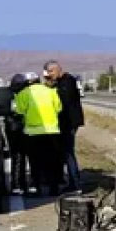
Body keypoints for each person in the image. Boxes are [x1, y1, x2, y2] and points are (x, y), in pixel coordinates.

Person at [13, 71, 64, 196]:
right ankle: (54, 188)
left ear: (28, 82)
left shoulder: (24, 94)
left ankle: (37, 188)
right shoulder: (51, 92)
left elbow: (19, 111)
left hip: (32, 133)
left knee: (35, 162)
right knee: (52, 161)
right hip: (52, 131)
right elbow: (58, 108)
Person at [44, 60, 84, 191]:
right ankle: (71, 181)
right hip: (65, 122)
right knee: (65, 152)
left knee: (68, 152)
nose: (50, 75)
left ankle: (75, 183)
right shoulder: (61, 82)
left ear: (57, 69)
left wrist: (52, 89)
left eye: (51, 72)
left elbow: (64, 100)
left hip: (69, 122)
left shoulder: (68, 81)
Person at [0, 73, 34, 194]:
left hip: (15, 127)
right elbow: (8, 109)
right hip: (16, 127)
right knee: (19, 156)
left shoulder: (5, 93)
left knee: (18, 156)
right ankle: (19, 184)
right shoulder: (14, 94)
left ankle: (18, 184)